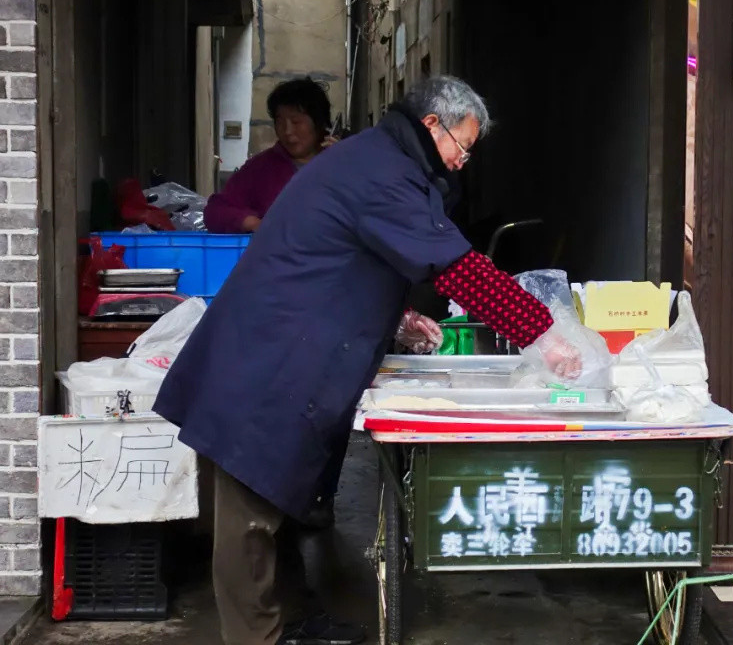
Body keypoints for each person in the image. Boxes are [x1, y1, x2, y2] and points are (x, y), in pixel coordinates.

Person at [152, 75, 581, 645]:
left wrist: (396, 318)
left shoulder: (382, 160)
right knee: (249, 517)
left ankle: (296, 621)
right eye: (463, 145)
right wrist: (543, 333)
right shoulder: (383, 172)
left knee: (281, 501)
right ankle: (255, 636)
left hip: (286, 350)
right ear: (433, 125)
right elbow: (456, 267)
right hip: (266, 360)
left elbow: (351, 254)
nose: (462, 161)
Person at [205, 77, 339, 234]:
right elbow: (216, 211)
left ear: (319, 123)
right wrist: (254, 223)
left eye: (296, 122)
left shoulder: (345, 163)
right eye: (280, 122)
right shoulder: (260, 169)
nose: (287, 131)